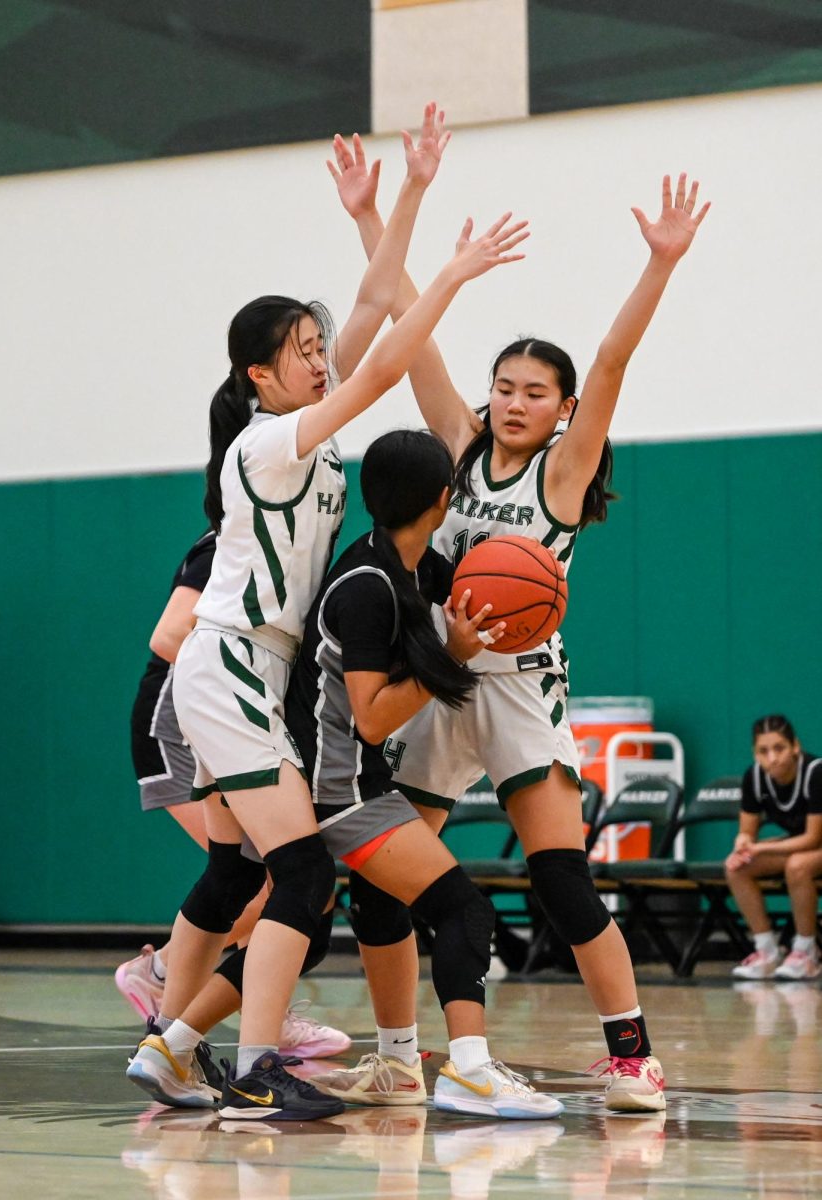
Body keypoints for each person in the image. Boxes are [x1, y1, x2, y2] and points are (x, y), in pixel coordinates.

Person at [127, 102, 530, 1122]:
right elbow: (391, 359)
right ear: (260, 375)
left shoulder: (304, 421)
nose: (320, 355)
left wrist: (402, 196)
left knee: (247, 870)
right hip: (226, 668)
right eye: (302, 349)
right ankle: (252, 1060)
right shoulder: (266, 441)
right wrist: (456, 272)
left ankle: (175, 1046)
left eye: (318, 344)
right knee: (300, 871)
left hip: (259, 679)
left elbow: (369, 309)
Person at [331, 152, 711, 1113]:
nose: (511, 400)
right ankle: (391, 1054)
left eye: (532, 391)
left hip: (517, 685)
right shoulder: (457, 451)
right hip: (433, 682)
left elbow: (614, 360)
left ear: (561, 411)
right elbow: (415, 344)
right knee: (382, 882)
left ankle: (631, 1057)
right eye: (504, 385)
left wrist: (659, 263)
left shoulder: (561, 474)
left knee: (561, 877)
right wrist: (374, 217)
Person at [285, 428, 562, 1119]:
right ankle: (467, 1068)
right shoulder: (366, 587)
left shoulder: (413, 567)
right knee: (462, 908)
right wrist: (455, 650)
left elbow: (487, 599)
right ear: (443, 500)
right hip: (336, 788)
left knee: (357, 912)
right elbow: (373, 718)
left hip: (351, 780)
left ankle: (399, 1066)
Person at [118, 528, 351, 1059]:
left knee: (271, 880)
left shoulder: (290, 535)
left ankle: (227, 1007)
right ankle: (164, 977)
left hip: (232, 718)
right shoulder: (231, 538)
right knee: (268, 880)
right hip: (179, 723)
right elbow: (169, 635)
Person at [727, 715, 822, 981]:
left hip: (814, 843)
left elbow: (813, 839)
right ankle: (767, 951)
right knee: (737, 866)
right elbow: (747, 832)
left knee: (798, 866)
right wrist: (744, 844)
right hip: (803, 844)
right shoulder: (754, 777)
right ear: (754, 754)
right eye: (763, 751)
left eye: (779, 748)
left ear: (795, 746)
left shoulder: (816, 772)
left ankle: (807, 953)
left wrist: (761, 848)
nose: (772, 757)